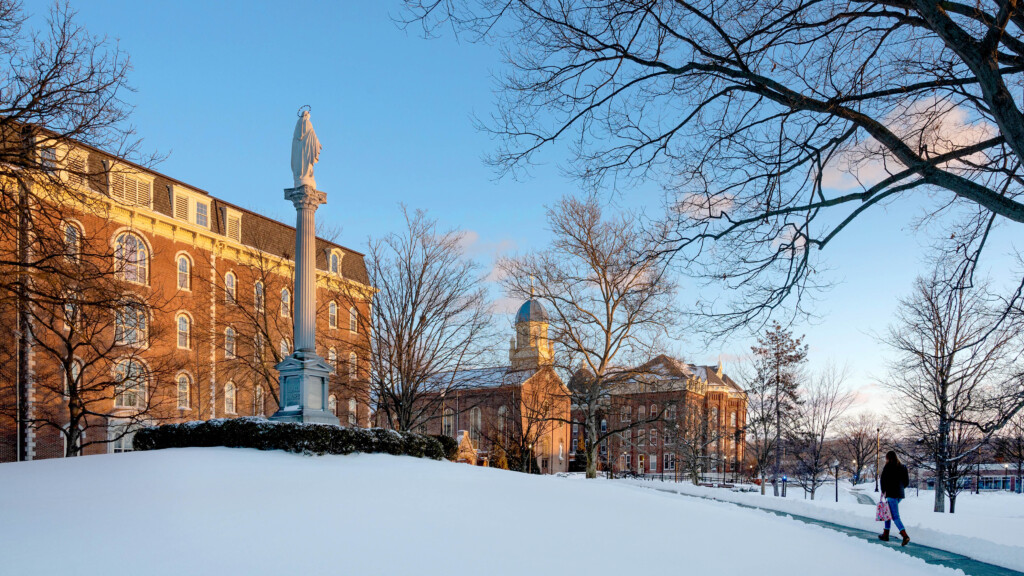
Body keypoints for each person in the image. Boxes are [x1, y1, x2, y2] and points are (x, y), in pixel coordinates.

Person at [878, 450, 911, 546]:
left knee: (895, 516)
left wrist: (884, 491)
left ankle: (905, 536)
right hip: (899, 494)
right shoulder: (903, 467)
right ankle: (885, 534)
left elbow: (883, 480)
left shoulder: (888, 467)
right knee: (888, 513)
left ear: (888, 458)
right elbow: (906, 482)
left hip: (891, 494)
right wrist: (900, 489)